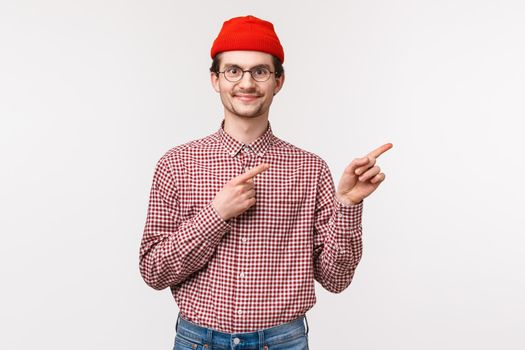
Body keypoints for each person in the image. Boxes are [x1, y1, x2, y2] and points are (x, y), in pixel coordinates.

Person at [139, 15, 392, 350]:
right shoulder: (176, 164)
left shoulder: (310, 169)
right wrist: (216, 214)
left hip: (282, 341)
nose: (246, 83)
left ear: (278, 81)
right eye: (233, 71)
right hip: (197, 341)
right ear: (215, 79)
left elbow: (336, 279)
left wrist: (348, 204)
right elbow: (154, 271)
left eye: (260, 71)